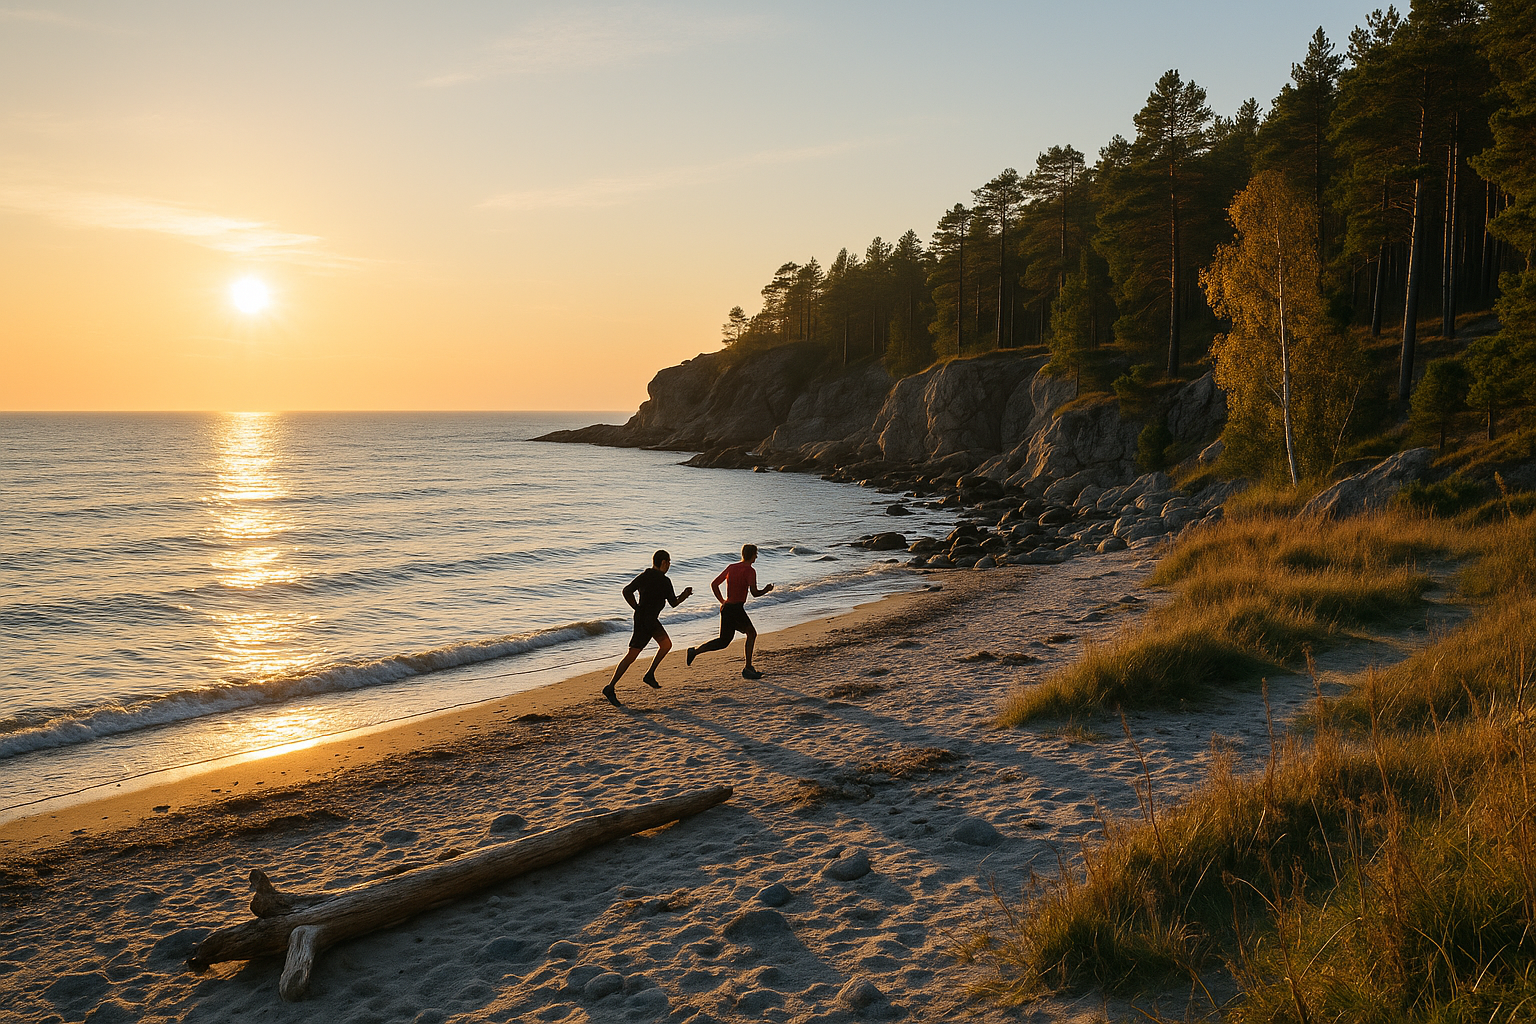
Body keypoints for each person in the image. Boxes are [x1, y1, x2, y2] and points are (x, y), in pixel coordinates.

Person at [603, 549, 692, 707]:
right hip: (648, 620)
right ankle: (612, 687)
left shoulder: (644, 576)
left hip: (643, 618)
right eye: (669, 562)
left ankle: (647, 675)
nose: (669, 565)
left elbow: (626, 591)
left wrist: (636, 607)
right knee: (638, 652)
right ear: (663, 562)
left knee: (654, 648)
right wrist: (684, 595)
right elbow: (673, 603)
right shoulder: (664, 581)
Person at [687, 543, 773, 680]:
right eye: (756, 554)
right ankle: (748, 668)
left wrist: (722, 601)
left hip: (727, 608)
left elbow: (714, 584)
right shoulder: (750, 570)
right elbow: (755, 593)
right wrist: (766, 590)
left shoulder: (731, 567)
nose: (756, 556)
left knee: (723, 641)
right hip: (736, 609)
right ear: (752, 555)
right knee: (751, 633)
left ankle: (695, 651)